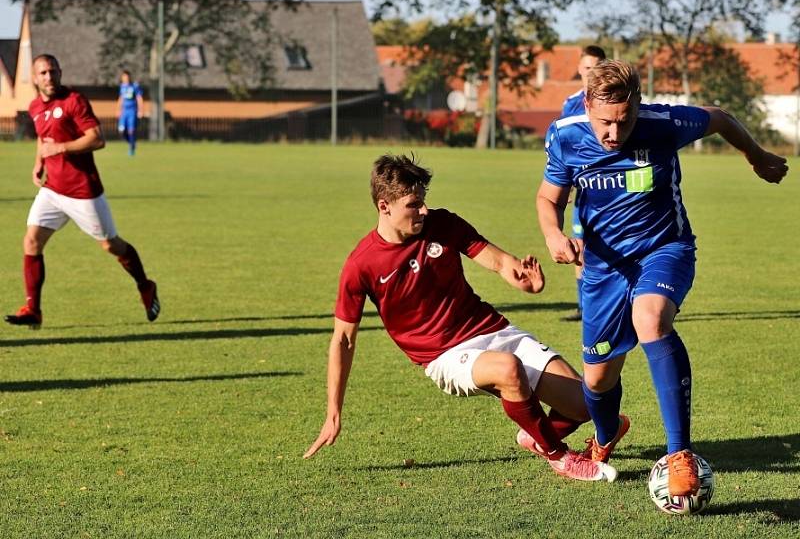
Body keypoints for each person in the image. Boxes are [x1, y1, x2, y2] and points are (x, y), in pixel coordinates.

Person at [535, 60, 787, 496]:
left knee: (650, 320)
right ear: (588, 104)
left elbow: (721, 118)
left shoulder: (664, 122)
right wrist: (554, 234)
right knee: (596, 379)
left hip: (664, 248)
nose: (614, 133)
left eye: (624, 120)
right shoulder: (565, 134)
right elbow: (548, 197)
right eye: (605, 123)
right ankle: (607, 431)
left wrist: (758, 156)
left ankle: (679, 455)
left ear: (637, 105)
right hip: (603, 266)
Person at [304, 153, 620, 483]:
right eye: (413, 204)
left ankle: (535, 434)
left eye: (424, 201)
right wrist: (333, 412)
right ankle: (560, 457)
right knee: (508, 369)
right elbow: (343, 339)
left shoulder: (443, 224)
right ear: (384, 207)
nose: (423, 210)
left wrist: (525, 282)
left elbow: (499, 262)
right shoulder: (362, 265)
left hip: (492, 329)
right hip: (443, 355)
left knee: (585, 405)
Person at [4, 54, 160, 330]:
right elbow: (43, 136)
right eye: (43, 73)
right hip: (52, 190)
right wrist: (39, 160)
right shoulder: (35, 106)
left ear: (60, 73)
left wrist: (61, 148)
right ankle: (33, 309)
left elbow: (97, 139)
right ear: (35, 77)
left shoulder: (75, 101)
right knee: (31, 242)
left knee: (111, 244)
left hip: (82, 191)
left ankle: (145, 285)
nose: (49, 77)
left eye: (53, 72)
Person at [560, 45, 606, 322]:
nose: (592, 74)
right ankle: (584, 307)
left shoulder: (613, 100)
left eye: (597, 68)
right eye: (588, 68)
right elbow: (565, 146)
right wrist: (564, 182)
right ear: (580, 69)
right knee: (580, 247)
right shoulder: (571, 103)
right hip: (583, 188)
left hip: (610, 185)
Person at [117, 70, 144, 156]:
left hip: (132, 111)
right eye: (124, 77)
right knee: (121, 130)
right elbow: (121, 99)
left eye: (127, 77)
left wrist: (140, 110)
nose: (125, 78)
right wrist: (118, 110)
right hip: (124, 112)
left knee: (131, 131)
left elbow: (139, 98)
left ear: (129, 77)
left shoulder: (134, 86)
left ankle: (131, 148)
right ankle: (132, 143)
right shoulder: (122, 87)